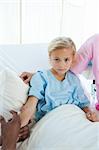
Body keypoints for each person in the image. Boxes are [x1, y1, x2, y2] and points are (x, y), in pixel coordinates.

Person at [19, 37, 99, 128]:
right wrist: (19, 126)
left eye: (66, 60)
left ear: (72, 58)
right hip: (52, 120)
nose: (61, 65)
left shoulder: (74, 79)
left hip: (74, 118)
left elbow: (83, 104)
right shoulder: (40, 77)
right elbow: (30, 106)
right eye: (57, 59)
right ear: (50, 58)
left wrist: (90, 114)